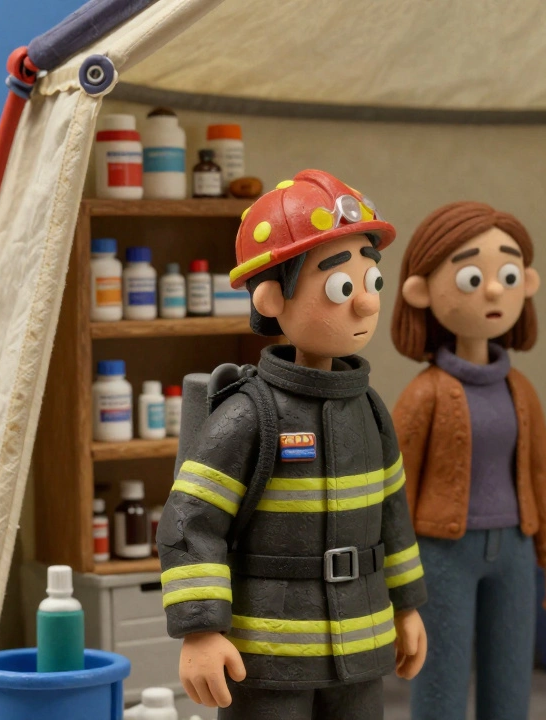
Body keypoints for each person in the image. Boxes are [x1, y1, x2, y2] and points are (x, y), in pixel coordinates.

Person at [157, 170, 428, 720]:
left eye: (371, 283)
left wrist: (407, 607)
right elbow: (192, 521)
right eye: (341, 288)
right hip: (269, 646)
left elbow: (393, 515)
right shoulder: (248, 414)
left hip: (360, 632)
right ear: (273, 297)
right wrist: (201, 629)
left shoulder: (371, 410)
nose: (366, 305)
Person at [390, 201, 546, 720]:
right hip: (441, 556)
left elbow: (542, 476)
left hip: (515, 551)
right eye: (472, 276)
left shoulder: (520, 389)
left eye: (509, 274)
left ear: (527, 283)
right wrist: (395, 575)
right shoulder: (424, 394)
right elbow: (393, 490)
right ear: (421, 291)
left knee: (511, 673)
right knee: (440, 675)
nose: (494, 290)